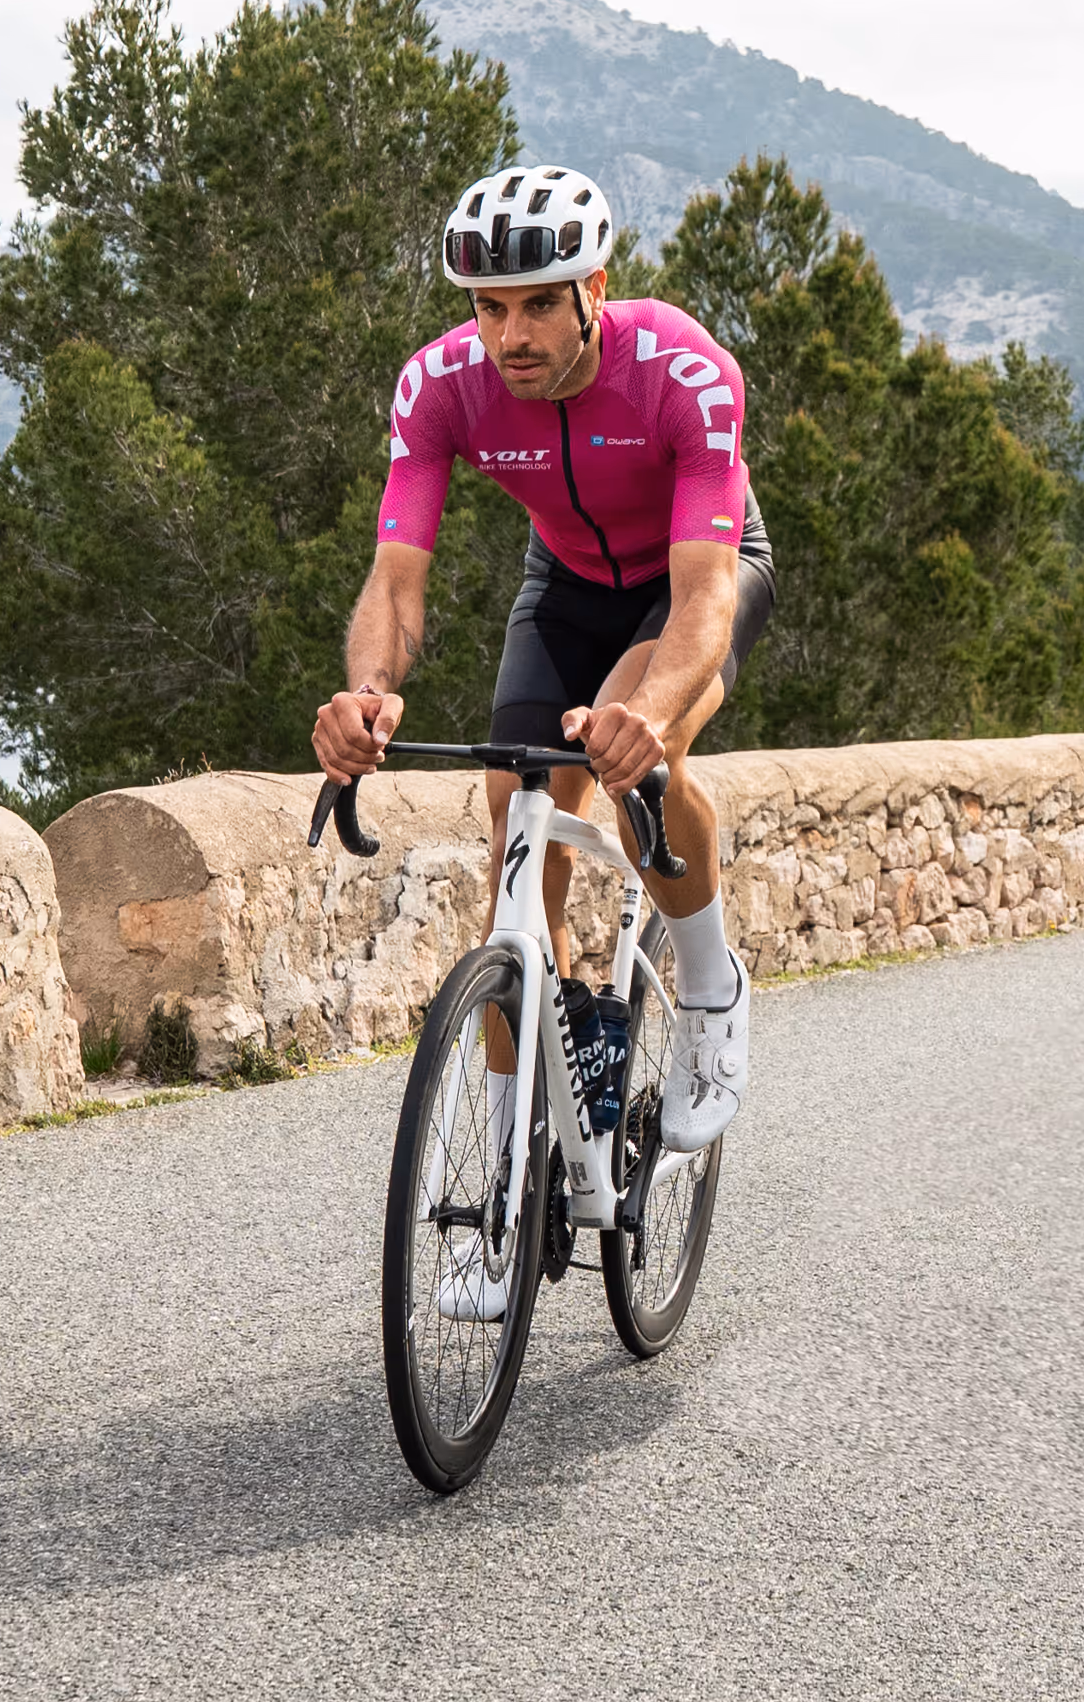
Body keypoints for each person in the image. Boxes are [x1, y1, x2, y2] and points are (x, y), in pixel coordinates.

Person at [309, 165, 775, 1319]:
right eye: (486, 306)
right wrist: (366, 691)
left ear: (591, 291)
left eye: (533, 303)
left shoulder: (680, 367)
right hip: (561, 585)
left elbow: (706, 597)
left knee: (638, 756)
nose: (507, 334)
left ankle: (710, 992)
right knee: (518, 826)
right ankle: (507, 1183)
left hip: (696, 576)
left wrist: (652, 711)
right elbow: (397, 579)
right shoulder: (440, 386)